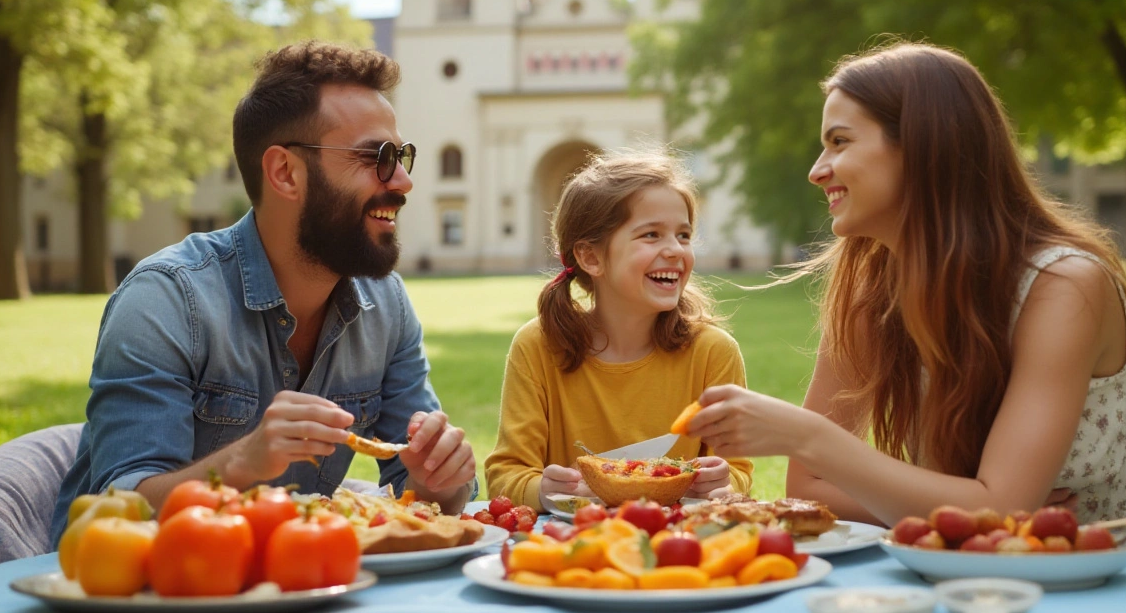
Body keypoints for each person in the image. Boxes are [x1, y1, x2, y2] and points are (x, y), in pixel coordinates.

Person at [683, 42, 1126, 538]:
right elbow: (811, 494)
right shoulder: (874, 293)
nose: (817, 170)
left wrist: (808, 437)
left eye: (840, 142)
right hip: (949, 578)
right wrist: (961, 502)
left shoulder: (1063, 288)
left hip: (1086, 589)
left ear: (924, 146)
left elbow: (996, 511)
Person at [51, 41, 477, 544]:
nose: (403, 181)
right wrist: (241, 462)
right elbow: (119, 510)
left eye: (401, 156)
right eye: (376, 156)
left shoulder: (386, 304)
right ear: (285, 173)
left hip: (297, 580)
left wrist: (438, 480)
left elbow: (426, 497)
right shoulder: (166, 301)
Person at [484, 148, 754, 511]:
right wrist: (544, 490)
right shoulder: (537, 347)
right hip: (574, 546)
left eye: (684, 235)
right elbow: (506, 474)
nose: (675, 250)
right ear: (591, 257)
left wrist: (721, 482)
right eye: (652, 235)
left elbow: (736, 471)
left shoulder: (713, 352)